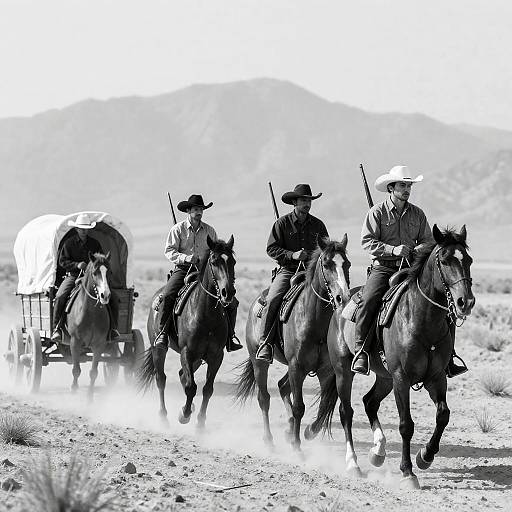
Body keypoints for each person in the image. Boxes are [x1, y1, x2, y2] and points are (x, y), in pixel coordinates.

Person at [351, 165, 468, 377]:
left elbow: (428, 241)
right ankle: (361, 351)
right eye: (402, 185)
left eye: (409, 185)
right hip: (383, 269)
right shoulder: (376, 212)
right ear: (391, 188)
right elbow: (366, 242)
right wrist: (392, 249)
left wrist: (418, 249)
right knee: (369, 300)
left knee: (443, 304)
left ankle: (449, 356)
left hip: (412, 268)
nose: (407, 189)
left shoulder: (418, 213)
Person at [154, 194, 242, 352]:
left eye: (201, 209)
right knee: (168, 294)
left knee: (232, 301)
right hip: (183, 269)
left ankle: (230, 337)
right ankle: (162, 333)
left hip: (206, 272)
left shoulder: (210, 230)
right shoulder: (178, 229)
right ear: (188, 211)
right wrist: (186, 257)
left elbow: (217, 251)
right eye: (195, 209)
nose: (199, 212)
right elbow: (169, 251)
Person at [256, 184, 329, 363]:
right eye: (304, 200)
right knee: (273, 299)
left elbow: (326, 250)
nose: (307, 204)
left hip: (312, 272)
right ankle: (265, 342)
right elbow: (271, 249)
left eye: (309, 201)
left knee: (333, 298)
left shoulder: (318, 225)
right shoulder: (281, 223)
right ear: (294, 202)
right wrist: (292, 255)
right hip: (288, 271)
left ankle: (335, 343)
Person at [52, 213, 120, 341]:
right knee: (60, 296)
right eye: (81, 229)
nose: (84, 231)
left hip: (94, 277)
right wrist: (77, 265)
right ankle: (57, 328)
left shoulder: (95, 244)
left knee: (113, 298)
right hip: (73, 276)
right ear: (77, 229)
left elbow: (101, 260)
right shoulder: (69, 243)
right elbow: (62, 261)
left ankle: (113, 329)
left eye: (86, 229)